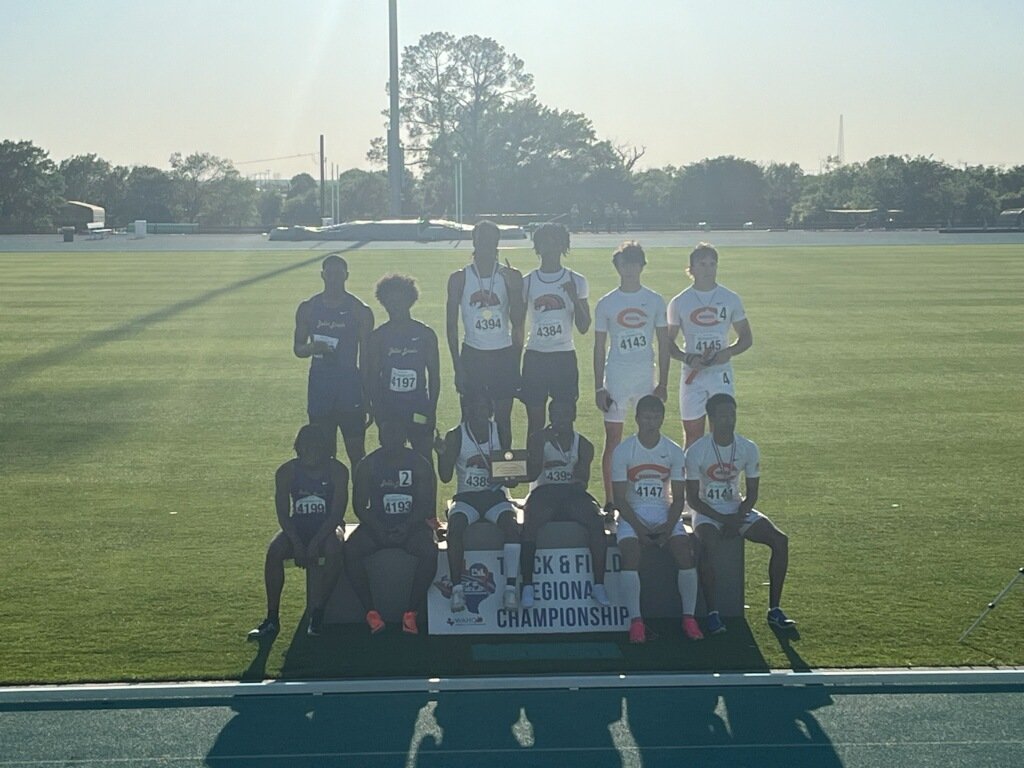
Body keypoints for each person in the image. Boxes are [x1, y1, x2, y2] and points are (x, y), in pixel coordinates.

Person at [686, 393, 794, 631]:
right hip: (707, 512)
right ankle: (713, 613)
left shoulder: (747, 448)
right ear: (712, 418)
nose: (729, 419)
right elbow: (693, 499)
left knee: (780, 540)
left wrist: (737, 517)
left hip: (737, 507)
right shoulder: (696, 451)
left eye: (732, 414)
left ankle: (774, 610)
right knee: (707, 546)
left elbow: (753, 493)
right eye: (723, 415)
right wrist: (724, 519)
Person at [611, 395, 703, 643]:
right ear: (637, 418)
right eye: (646, 417)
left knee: (684, 552)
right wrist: (640, 529)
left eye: (655, 417)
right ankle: (636, 622)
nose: (651, 423)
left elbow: (678, 498)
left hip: (663, 512)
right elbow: (620, 499)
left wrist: (669, 526)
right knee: (630, 555)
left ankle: (689, 617)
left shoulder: (672, 451)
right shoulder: (623, 451)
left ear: (662, 419)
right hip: (633, 513)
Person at [248, 424, 348, 641]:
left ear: (325, 448)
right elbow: (283, 514)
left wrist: (314, 543)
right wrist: (297, 543)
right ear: (298, 447)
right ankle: (272, 618)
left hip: (327, 527)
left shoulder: (338, 471)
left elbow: (336, 513)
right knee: (274, 551)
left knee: (334, 549)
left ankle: (318, 611)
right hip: (299, 526)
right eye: (306, 446)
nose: (312, 451)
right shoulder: (286, 472)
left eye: (317, 446)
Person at [593, 242, 670, 512]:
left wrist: (663, 383)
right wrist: (598, 387)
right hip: (616, 378)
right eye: (625, 263)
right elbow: (599, 347)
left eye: (635, 262)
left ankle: (647, 497)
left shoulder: (655, 300)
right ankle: (611, 499)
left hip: (644, 378)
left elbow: (663, 343)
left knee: (648, 436)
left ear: (642, 266)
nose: (630, 268)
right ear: (618, 266)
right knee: (613, 439)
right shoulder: (606, 303)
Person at [345, 419, 438, 635]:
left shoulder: (419, 463)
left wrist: (406, 526)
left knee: (430, 551)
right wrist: (378, 528)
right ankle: (371, 612)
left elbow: (425, 504)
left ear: (404, 439)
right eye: (387, 437)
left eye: (396, 437)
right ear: (379, 439)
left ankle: (411, 613)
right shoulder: (368, 464)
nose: (391, 442)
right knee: (350, 549)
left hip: (411, 526)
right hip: (377, 525)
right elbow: (359, 505)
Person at [435, 392, 521, 611]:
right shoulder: (456, 435)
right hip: (467, 497)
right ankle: (457, 590)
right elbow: (445, 477)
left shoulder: (500, 430)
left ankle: (510, 588)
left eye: (483, 408)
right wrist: (442, 454)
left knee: (511, 526)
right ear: (466, 410)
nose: (478, 413)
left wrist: (509, 475)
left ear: (490, 410)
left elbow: (510, 477)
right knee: (455, 529)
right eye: (473, 408)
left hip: (494, 495)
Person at [520, 399, 609, 608]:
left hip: (571, 493)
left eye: (564, 415)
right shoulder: (538, 439)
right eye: (555, 415)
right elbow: (532, 475)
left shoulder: (584, 444)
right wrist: (541, 448)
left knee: (596, 521)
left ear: (573, 416)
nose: (560, 420)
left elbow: (582, 481)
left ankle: (598, 584)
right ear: (550, 417)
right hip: (544, 491)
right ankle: (527, 585)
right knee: (530, 522)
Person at [445, 220, 525, 449]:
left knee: (503, 420)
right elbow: (451, 326)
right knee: (470, 418)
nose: (487, 247)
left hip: (502, 354)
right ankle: (470, 473)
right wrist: (458, 367)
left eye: (492, 242)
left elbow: (518, 320)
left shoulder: (510, 275)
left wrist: (515, 289)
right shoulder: (459, 278)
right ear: (475, 243)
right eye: (482, 241)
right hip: (473, 354)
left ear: (498, 244)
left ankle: (504, 474)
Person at [667, 243, 752, 447]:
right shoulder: (679, 302)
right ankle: (691, 479)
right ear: (692, 268)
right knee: (692, 434)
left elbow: (746, 338)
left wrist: (728, 352)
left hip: (720, 375)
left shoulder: (730, 299)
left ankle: (720, 478)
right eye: (702, 264)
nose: (708, 269)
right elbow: (668, 343)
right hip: (692, 376)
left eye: (712, 264)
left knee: (722, 432)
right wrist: (688, 358)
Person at [294, 253, 375, 465]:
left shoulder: (360, 311)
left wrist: (368, 394)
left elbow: (366, 357)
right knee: (323, 451)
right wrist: (312, 347)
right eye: (329, 274)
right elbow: (298, 348)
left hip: (349, 386)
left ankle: (360, 498)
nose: (334, 279)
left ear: (346, 276)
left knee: (356, 451)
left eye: (338, 274)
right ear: (322, 275)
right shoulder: (308, 308)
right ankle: (330, 497)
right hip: (320, 387)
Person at [521, 222, 591, 441]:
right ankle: (535, 469)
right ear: (537, 247)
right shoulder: (528, 281)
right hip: (536, 356)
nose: (549, 247)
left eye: (554, 242)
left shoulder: (576, 280)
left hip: (564, 356)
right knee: (535, 419)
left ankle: (563, 466)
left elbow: (584, 326)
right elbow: (517, 323)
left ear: (563, 246)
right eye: (544, 242)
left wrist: (574, 298)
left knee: (565, 418)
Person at [365, 273, 440, 461]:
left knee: (424, 455)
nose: (395, 306)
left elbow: (434, 376)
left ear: (410, 300)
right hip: (389, 410)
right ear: (384, 303)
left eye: (399, 301)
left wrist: (431, 409)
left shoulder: (425, 335)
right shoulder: (378, 337)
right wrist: (377, 409)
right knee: (390, 457)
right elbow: (372, 376)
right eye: (390, 302)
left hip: (418, 410)